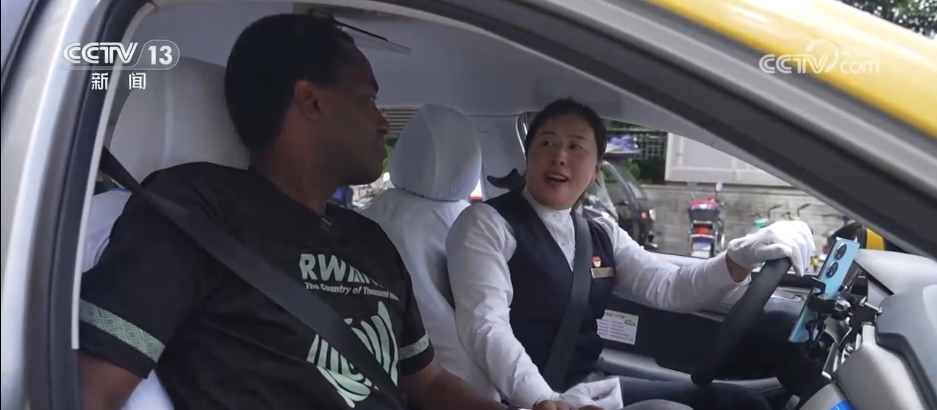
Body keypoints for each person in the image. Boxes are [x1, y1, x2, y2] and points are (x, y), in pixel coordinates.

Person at [76, 14, 579, 410]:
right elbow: (89, 394)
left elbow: (426, 382)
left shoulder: (370, 239)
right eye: (368, 99)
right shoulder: (194, 212)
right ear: (311, 101)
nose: (383, 122)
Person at [446, 98, 815, 410]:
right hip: (533, 399)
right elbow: (485, 326)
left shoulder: (598, 232)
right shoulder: (487, 223)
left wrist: (741, 256)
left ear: (595, 169)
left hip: (592, 389)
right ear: (529, 157)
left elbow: (671, 287)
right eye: (547, 143)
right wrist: (543, 400)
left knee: (743, 404)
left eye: (576, 147)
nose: (558, 156)